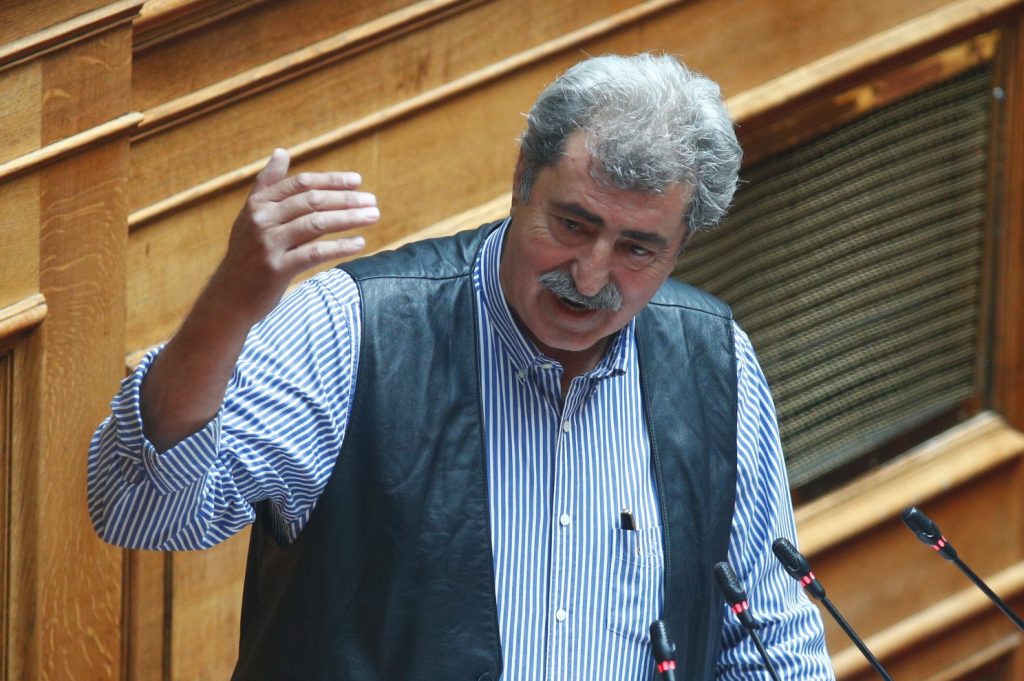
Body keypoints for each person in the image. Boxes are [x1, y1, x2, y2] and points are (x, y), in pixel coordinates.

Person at [88, 54, 835, 680]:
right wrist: (228, 304)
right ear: (522, 178)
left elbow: (768, 639)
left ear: (681, 246)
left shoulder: (713, 358)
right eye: (572, 224)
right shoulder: (356, 328)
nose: (588, 275)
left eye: (637, 249)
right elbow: (140, 508)